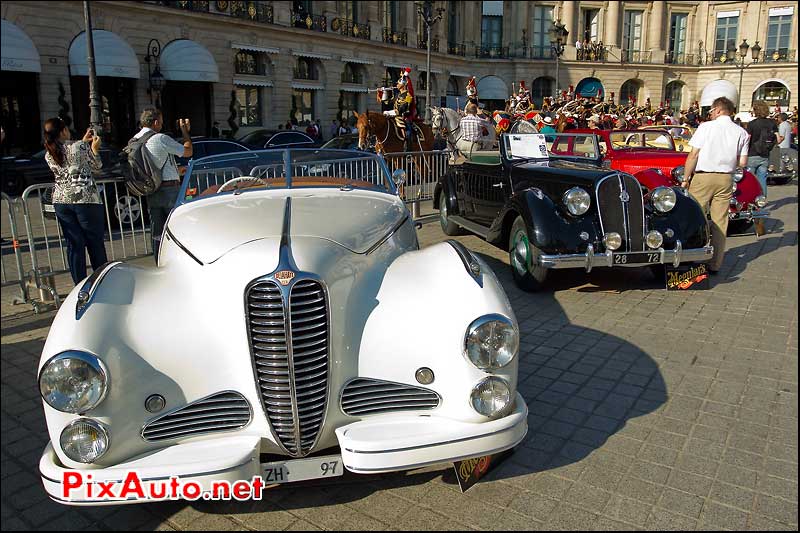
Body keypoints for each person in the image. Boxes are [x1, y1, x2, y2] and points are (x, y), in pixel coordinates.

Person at [682, 96, 750, 273]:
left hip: (704, 176)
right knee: (720, 220)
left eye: (711, 111)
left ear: (719, 110)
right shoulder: (741, 132)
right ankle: (715, 263)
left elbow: (693, 155)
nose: (710, 114)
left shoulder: (706, 127)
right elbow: (742, 162)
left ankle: (689, 256)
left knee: (693, 214)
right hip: (726, 177)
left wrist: (685, 178)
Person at [43, 117, 108, 284]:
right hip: (84, 198)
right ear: (63, 131)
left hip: (61, 200)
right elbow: (97, 166)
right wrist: (94, 148)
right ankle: (100, 281)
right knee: (94, 242)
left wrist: (83, 142)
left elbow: (71, 157)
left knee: (74, 244)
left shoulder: (49, 153)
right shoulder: (78, 147)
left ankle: (78, 283)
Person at [132, 107, 193, 259]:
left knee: (157, 230)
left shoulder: (135, 140)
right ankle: (176, 259)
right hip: (169, 189)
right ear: (156, 122)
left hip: (151, 189)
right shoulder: (160, 138)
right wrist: (185, 131)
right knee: (175, 226)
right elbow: (188, 151)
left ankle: (158, 259)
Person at [745, 101, 779, 210]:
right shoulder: (772, 123)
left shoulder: (752, 124)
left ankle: (749, 199)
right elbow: (778, 139)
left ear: (756, 110)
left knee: (749, 178)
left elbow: (747, 139)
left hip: (752, 154)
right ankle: (762, 200)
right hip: (765, 154)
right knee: (762, 178)